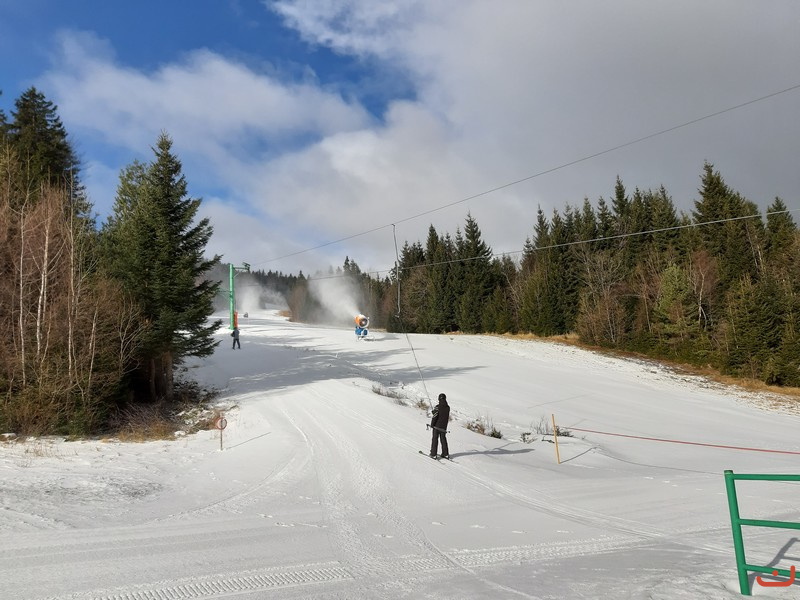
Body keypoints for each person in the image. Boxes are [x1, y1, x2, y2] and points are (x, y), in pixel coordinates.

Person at [429, 393, 450, 458]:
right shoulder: (448, 407)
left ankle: (433, 454)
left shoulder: (437, 407)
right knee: (443, 439)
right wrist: (435, 412)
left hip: (436, 426)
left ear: (439, 399)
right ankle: (445, 454)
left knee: (435, 439)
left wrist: (432, 424)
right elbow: (443, 414)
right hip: (444, 427)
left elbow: (435, 416)